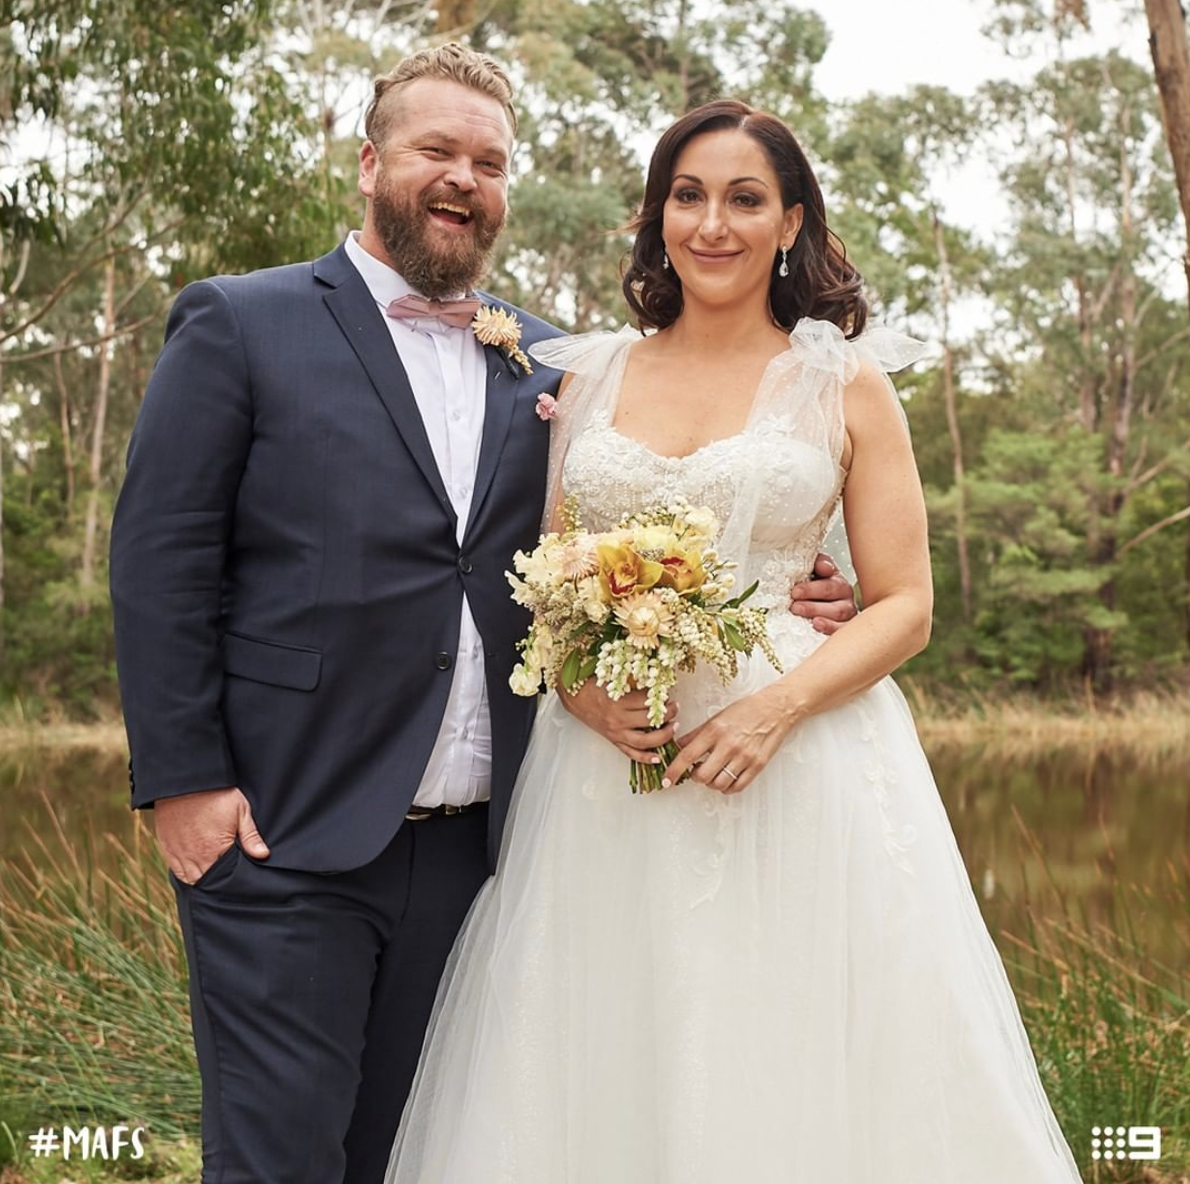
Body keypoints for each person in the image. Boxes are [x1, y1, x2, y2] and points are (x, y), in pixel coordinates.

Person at [108, 47, 856, 1184]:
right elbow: (160, 562)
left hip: (483, 849)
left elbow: (606, 537)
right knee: (277, 1159)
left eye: (489, 162)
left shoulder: (554, 359)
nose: (463, 178)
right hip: (284, 828)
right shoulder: (240, 323)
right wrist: (182, 783)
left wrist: (805, 579)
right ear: (370, 163)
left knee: (415, 1154)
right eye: (435, 151)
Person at [383, 100, 1083, 1184]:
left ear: (789, 221)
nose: (713, 223)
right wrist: (580, 696)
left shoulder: (841, 379)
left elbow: (904, 603)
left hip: (797, 762)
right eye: (689, 195)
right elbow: (554, 576)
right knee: (606, 1040)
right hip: (610, 771)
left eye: (745, 199)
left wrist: (773, 708)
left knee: (791, 1032)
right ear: (657, 216)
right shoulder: (589, 375)